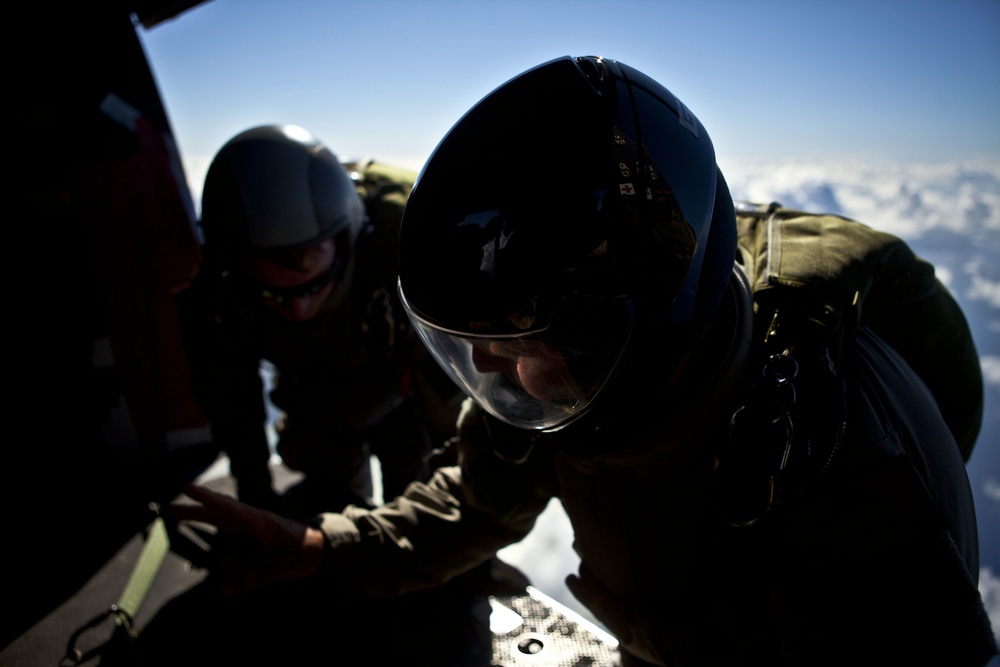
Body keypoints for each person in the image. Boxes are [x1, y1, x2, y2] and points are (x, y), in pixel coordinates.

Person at [166, 57, 998, 666]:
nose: (492, 372)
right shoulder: (566, 382)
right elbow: (472, 503)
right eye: (472, 345)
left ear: (622, 328)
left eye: (513, 342)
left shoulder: (837, 441)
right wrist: (316, 545)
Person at [175, 124, 464, 516]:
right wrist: (257, 505)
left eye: (308, 281)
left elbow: (447, 404)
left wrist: (455, 512)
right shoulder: (219, 297)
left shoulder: (401, 257)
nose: (296, 310)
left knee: (418, 490)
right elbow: (232, 403)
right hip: (314, 407)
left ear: (344, 240)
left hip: (404, 399)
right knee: (329, 507)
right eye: (271, 293)